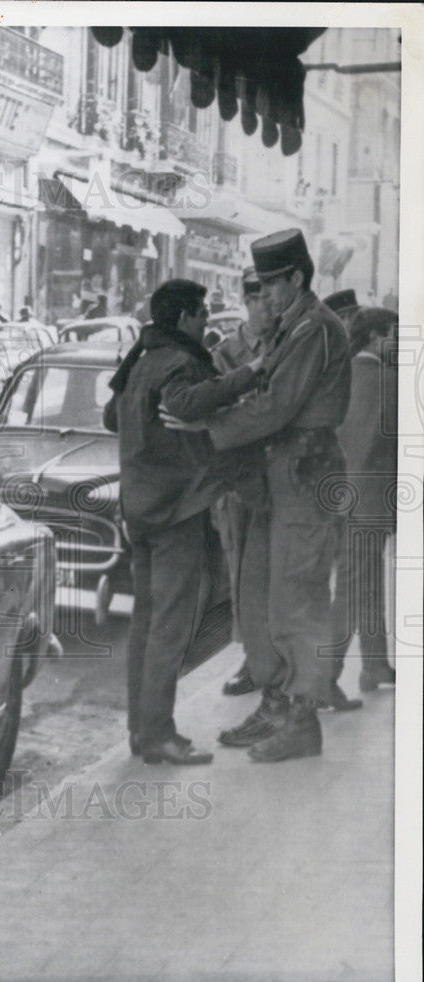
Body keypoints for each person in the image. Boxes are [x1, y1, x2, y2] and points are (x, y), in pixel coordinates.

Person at [163, 229, 352, 763]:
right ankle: (279, 706)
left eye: (270, 285)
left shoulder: (313, 330)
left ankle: (302, 721)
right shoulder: (295, 327)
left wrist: (206, 424)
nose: (262, 296)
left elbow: (273, 407)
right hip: (284, 474)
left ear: (296, 278)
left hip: (304, 473)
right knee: (274, 597)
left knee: (299, 599)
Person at [106, 279, 263, 765]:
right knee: (171, 628)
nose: (205, 322)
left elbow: (112, 416)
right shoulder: (179, 361)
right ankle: (158, 734)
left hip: (141, 510)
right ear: (182, 318)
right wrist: (250, 374)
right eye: (201, 314)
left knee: (147, 624)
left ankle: (141, 730)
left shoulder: (141, 359)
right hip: (175, 511)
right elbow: (185, 403)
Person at [327, 307, 399, 698]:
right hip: (371, 503)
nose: (399, 343)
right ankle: (323, 678)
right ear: (374, 337)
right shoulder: (392, 382)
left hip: (341, 499)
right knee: (355, 590)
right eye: (393, 334)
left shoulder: (340, 377)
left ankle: (375, 664)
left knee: (364, 585)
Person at [211, 267, 275, 698]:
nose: (272, 308)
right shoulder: (225, 354)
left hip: (280, 475)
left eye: (275, 299)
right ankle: (254, 659)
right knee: (242, 576)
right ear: (248, 301)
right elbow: (219, 411)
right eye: (263, 300)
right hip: (238, 479)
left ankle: (275, 657)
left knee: (278, 573)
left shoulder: (289, 345)